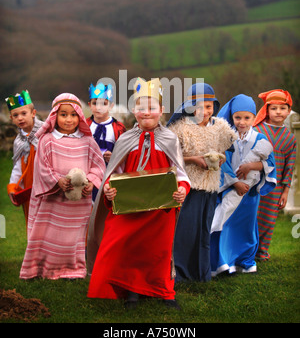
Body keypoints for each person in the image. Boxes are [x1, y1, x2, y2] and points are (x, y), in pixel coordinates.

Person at [87, 78, 190, 309]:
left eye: (152, 108)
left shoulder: (170, 139)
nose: (146, 113)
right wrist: (109, 189)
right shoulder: (125, 139)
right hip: (131, 206)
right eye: (141, 108)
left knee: (159, 250)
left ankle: (164, 291)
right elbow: (115, 172)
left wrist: (181, 190)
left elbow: (181, 174)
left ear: (161, 111)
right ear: (134, 110)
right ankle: (131, 290)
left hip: (161, 206)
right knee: (129, 246)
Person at [19, 93, 105, 280]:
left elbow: (98, 166)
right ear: (54, 116)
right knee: (49, 235)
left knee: (73, 238)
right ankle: (43, 268)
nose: (69, 119)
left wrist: (90, 181)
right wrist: (57, 180)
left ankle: (73, 270)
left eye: (73, 115)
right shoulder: (48, 140)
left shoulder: (87, 142)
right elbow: (42, 167)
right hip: (54, 200)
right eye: (63, 114)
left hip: (78, 202)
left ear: (80, 117)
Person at [167, 82, 237, 282]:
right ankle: (180, 273)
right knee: (185, 230)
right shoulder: (181, 128)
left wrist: (221, 157)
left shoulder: (219, 127)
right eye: (198, 106)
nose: (204, 111)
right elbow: (171, 156)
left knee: (204, 230)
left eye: (208, 106)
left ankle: (201, 274)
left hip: (210, 185)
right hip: (188, 184)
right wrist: (193, 159)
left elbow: (225, 150)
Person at [210, 94, 276, 276]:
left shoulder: (260, 138)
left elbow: (270, 163)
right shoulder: (227, 138)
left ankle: (245, 260)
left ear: (254, 118)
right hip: (232, 188)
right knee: (226, 224)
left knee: (246, 227)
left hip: (250, 193)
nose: (242, 122)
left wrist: (251, 166)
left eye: (247, 118)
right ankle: (224, 261)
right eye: (237, 117)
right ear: (232, 117)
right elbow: (224, 163)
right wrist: (236, 183)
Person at [253, 89, 297, 261]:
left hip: (276, 186)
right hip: (255, 182)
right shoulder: (257, 130)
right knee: (252, 217)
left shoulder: (289, 138)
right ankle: (246, 250)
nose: (278, 112)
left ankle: (262, 251)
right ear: (267, 110)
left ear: (288, 111)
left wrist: (285, 191)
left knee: (269, 218)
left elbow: (290, 166)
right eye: (274, 108)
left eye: (282, 108)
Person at [5, 90, 43, 228]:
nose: (20, 118)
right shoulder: (18, 142)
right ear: (11, 118)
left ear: (33, 113)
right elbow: (18, 167)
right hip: (29, 187)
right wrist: (13, 186)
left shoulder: (45, 132)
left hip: (46, 185)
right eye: (15, 115)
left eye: (23, 113)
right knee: (33, 222)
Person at [87, 82, 126, 200]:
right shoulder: (85, 125)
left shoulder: (118, 128)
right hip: (88, 174)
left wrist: (114, 156)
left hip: (109, 175)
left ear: (111, 105)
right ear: (89, 105)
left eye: (103, 104)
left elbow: (125, 153)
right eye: (95, 103)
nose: (99, 107)